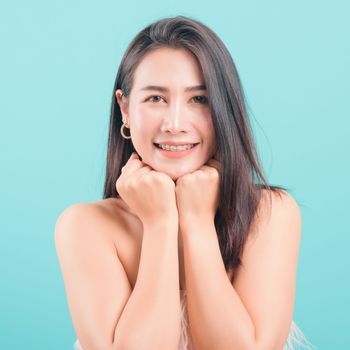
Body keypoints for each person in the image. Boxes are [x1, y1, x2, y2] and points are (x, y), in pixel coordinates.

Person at [55, 15, 315, 350]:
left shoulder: (270, 214)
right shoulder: (86, 226)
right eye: (155, 99)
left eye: (199, 99)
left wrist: (197, 221)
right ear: (125, 108)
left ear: (225, 109)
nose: (175, 124)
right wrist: (160, 223)